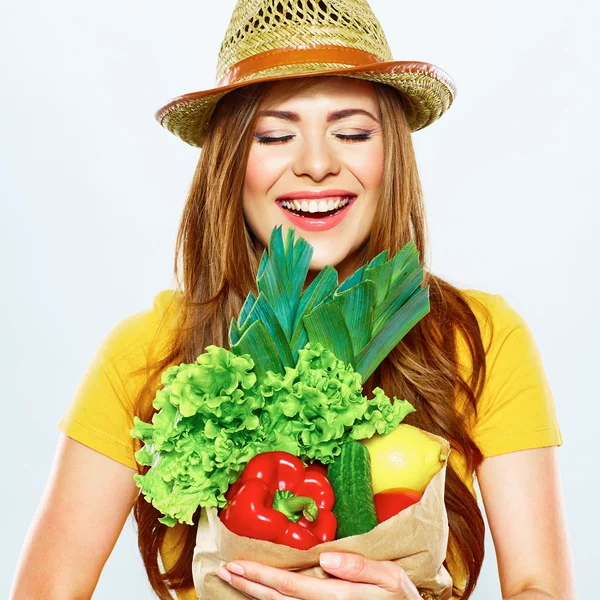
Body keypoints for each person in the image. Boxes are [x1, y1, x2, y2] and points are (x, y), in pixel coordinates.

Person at [10, 1, 576, 599]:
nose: (315, 164)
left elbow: (542, 588)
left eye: (353, 132)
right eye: (276, 135)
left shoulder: (478, 337)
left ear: (392, 154)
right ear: (230, 162)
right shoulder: (145, 353)